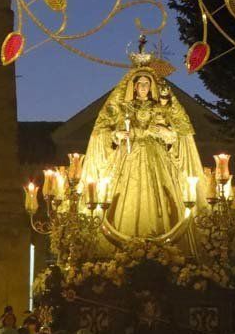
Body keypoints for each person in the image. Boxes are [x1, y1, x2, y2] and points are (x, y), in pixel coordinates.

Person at [80, 60, 202, 253]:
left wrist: (163, 131)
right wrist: (118, 135)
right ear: (134, 87)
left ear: (151, 86)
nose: (144, 87)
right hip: (128, 157)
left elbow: (174, 134)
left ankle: (157, 238)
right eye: (140, 84)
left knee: (160, 194)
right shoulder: (126, 108)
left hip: (156, 157)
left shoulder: (158, 108)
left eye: (147, 83)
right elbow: (110, 131)